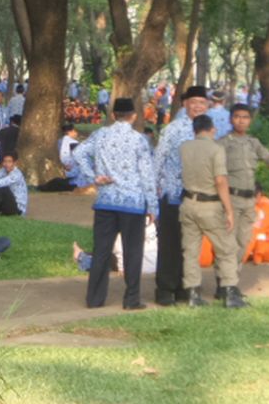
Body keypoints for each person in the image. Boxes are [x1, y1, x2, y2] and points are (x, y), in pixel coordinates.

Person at [72, 97, 156, 310]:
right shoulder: (139, 140)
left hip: (105, 201)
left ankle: (94, 299)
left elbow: (78, 152)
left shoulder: (100, 135)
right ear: (134, 116)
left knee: (101, 250)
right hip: (133, 203)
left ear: (112, 115)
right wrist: (153, 206)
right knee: (133, 252)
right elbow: (147, 175)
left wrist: (94, 176)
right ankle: (131, 299)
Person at [179, 115, 245, 308]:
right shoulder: (216, 149)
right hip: (210, 205)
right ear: (212, 129)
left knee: (191, 251)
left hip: (188, 203)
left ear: (194, 130)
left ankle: (193, 293)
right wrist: (229, 209)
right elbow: (220, 181)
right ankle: (230, 292)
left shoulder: (184, 147)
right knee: (227, 249)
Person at [152, 85, 209, 306]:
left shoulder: (210, 130)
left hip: (199, 197)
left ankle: (186, 288)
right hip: (173, 194)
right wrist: (154, 188)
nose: (197, 106)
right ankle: (165, 289)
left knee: (192, 244)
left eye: (201, 103)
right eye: (193, 102)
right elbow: (159, 158)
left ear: (207, 106)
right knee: (170, 243)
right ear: (185, 104)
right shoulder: (173, 129)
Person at [220, 103, 269, 293]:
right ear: (231, 119)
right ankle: (226, 285)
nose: (241, 121)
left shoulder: (253, 143)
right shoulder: (223, 143)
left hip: (250, 201)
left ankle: (230, 280)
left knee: (243, 242)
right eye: (237, 117)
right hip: (231, 199)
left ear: (250, 120)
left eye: (245, 117)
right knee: (228, 243)